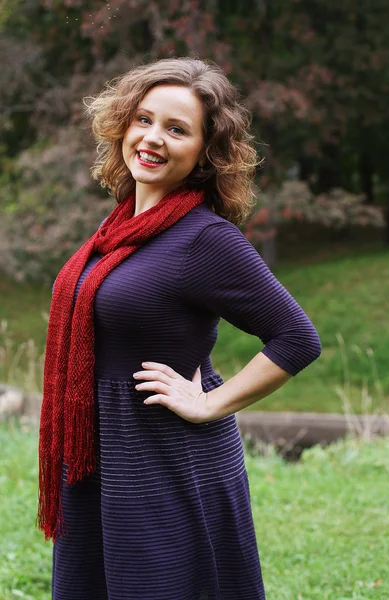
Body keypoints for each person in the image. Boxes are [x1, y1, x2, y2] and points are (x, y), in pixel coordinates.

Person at [37, 56, 321, 600]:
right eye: (143, 119)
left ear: (204, 154)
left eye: (176, 129)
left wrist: (211, 403)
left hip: (162, 461)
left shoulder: (203, 239)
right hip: (99, 454)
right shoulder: (117, 227)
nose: (152, 138)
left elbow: (296, 337)